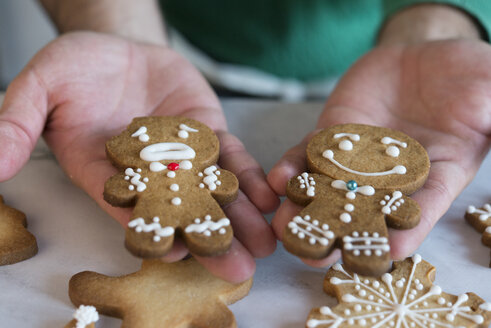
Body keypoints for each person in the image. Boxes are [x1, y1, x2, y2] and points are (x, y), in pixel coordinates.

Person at [1, 0, 490, 283]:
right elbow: (130, 187)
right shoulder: (153, 162)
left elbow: (394, 210)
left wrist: (436, 28)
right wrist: (112, 25)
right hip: (186, 56)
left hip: (393, 61)